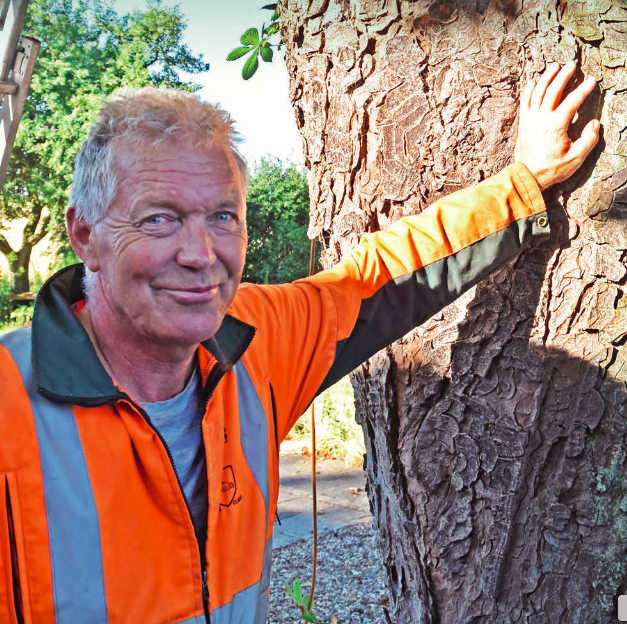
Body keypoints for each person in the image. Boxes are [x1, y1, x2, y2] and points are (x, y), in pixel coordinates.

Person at [0, 62, 599, 624]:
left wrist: (522, 185)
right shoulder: (10, 404)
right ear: (86, 234)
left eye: (222, 217)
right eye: (159, 218)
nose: (200, 255)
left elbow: (379, 278)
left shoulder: (251, 342)